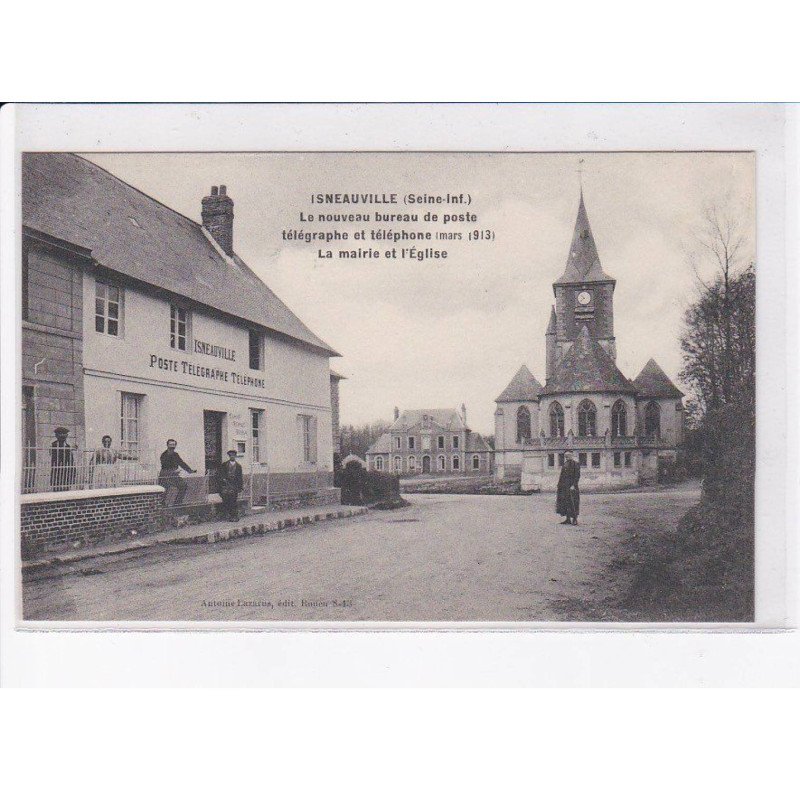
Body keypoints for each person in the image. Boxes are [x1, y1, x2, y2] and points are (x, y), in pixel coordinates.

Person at [158, 439, 197, 506]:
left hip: (174, 475)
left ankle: (177, 503)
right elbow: (165, 465)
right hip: (165, 474)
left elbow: (181, 463)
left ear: (175, 445)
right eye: (170, 445)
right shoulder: (163, 455)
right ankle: (162, 505)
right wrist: (173, 471)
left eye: (173, 445)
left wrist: (189, 470)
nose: (172, 446)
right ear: (167, 445)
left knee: (183, 486)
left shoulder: (176, 455)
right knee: (164, 490)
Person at [218, 449, 244, 521]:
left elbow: (240, 477)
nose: (232, 456)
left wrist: (240, 487)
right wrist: (223, 480)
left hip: (234, 486)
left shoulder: (238, 466)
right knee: (226, 500)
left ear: (235, 456)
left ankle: (234, 516)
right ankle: (227, 515)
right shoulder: (224, 465)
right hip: (226, 486)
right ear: (229, 456)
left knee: (233, 501)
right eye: (230, 455)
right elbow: (221, 474)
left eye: (233, 455)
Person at [556, 450, 580, 525]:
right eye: (565, 456)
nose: (566, 457)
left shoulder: (575, 464)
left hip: (572, 486)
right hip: (564, 486)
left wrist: (573, 485)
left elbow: (577, 475)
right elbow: (562, 475)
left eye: (568, 456)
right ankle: (568, 519)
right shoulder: (565, 464)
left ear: (571, 456)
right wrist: (559, 484)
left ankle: (575, 519)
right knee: (565, 502)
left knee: (573, 502)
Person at [50, 426, 76, 491]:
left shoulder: (68, 446)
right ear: (56, 435)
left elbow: (71, 459)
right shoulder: (54, 445)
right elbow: (56, 456)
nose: (63, 436)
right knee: (57, 490)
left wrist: (73, 470)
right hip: (57, 471)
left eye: (64, 434)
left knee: (66, 490)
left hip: (67, 471)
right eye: (60, 434)